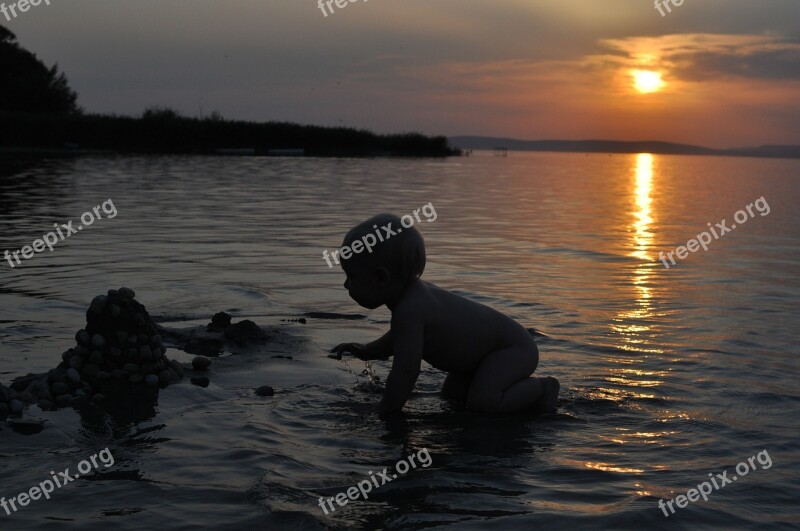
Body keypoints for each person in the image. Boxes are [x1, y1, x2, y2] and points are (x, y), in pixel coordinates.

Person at [330, 213, 559, 415]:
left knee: (484, 402)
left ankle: (543, 388)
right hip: (483, 356)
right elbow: (399, 339)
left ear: (381, 278)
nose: (345, 284)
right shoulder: (412, 301)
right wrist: (367, 351)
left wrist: (386, 411)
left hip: (510, 350)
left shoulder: (410, 310)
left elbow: (406, 371)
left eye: (351, 276)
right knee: (452, 396)